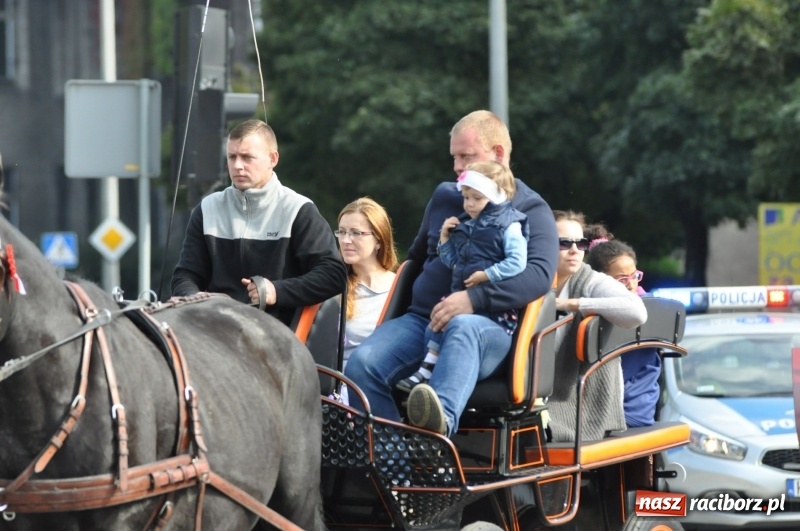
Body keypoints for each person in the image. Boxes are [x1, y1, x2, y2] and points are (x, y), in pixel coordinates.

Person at [345, 110, 559, 437]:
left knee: (462, 325)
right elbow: (416, 259)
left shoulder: (530, 209)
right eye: (454, 157)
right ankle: (392, 463)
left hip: (486, 328)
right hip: (423, 321)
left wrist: (474, 299)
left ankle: (436, 433)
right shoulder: (445, 196)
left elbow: (539, 276)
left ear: (498, 153)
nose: (457, 167)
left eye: (466, 157)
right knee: (363, 364)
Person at [171, 119, 347, 326]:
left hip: (278, 331)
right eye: (232, 157)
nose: (237, 165)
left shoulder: (298, 209)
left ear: (273, 159)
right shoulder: (207, 209)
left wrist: (276, 291)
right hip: (214, 328)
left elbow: (333, 275)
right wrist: (193, 298)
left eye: (247, 157)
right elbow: (186, 275)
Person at [395, 161, 529, 393]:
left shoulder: (509, 225)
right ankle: (426, 370)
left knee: (457, 326)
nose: (469, 204)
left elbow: (517, 262)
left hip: (495, 311)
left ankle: (434, 385)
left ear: (497, 196)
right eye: (466, 197)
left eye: (477, 198)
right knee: (437, 322)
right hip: (462, 298)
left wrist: (487, 275)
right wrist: (445, 239)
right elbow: (455, 263)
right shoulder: (467, 225)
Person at [546, 210, 647, 442]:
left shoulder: (589, 280)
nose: (574, 250)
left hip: (576, 401)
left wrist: (573, 304)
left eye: (580, 243)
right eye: (564, 243)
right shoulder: (529, 278)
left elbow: (637, 312)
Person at [588, 238, 660, 427]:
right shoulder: (657, 307)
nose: (630, 284)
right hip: (643, 408)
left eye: (634, 276)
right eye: (622, 279)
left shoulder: (647, 309)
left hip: (611, 412)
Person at [337, 197, 399, 370]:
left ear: (378, 239)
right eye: (341, 232)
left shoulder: (401, 288)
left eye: (356, 233)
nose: (345, 240)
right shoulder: (332, 286)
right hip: (336, 382)